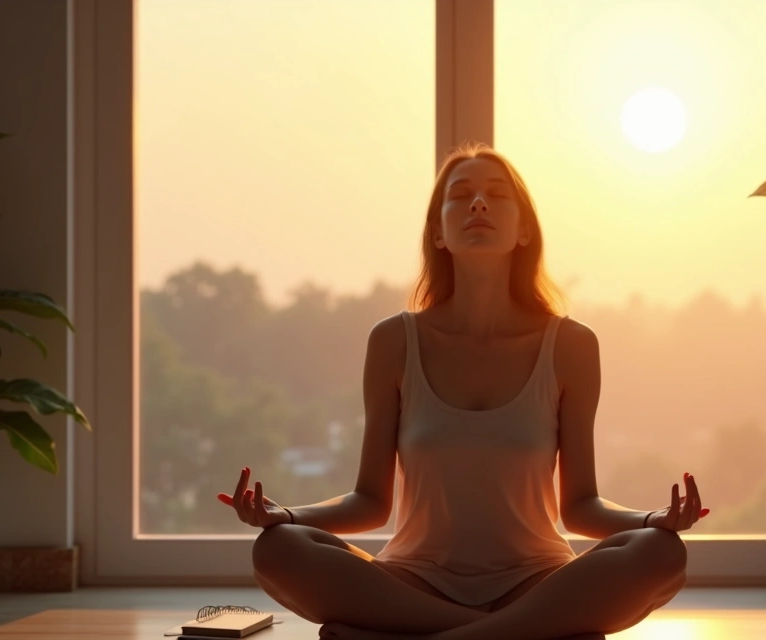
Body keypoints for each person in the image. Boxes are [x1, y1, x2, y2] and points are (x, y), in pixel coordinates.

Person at [217, 142, 708, 640]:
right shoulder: (393, 340)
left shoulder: (572, 345)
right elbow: (370, 502)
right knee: (277, 549)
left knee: (661, 553)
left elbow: (579, 506)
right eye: (460, 196)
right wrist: (285, 515)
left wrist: (653, 518)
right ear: (437, 231)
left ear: (523, 231)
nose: (478, 204)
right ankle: (522, 635)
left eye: (496, 194)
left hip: (536, 580)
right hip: (413, 581)